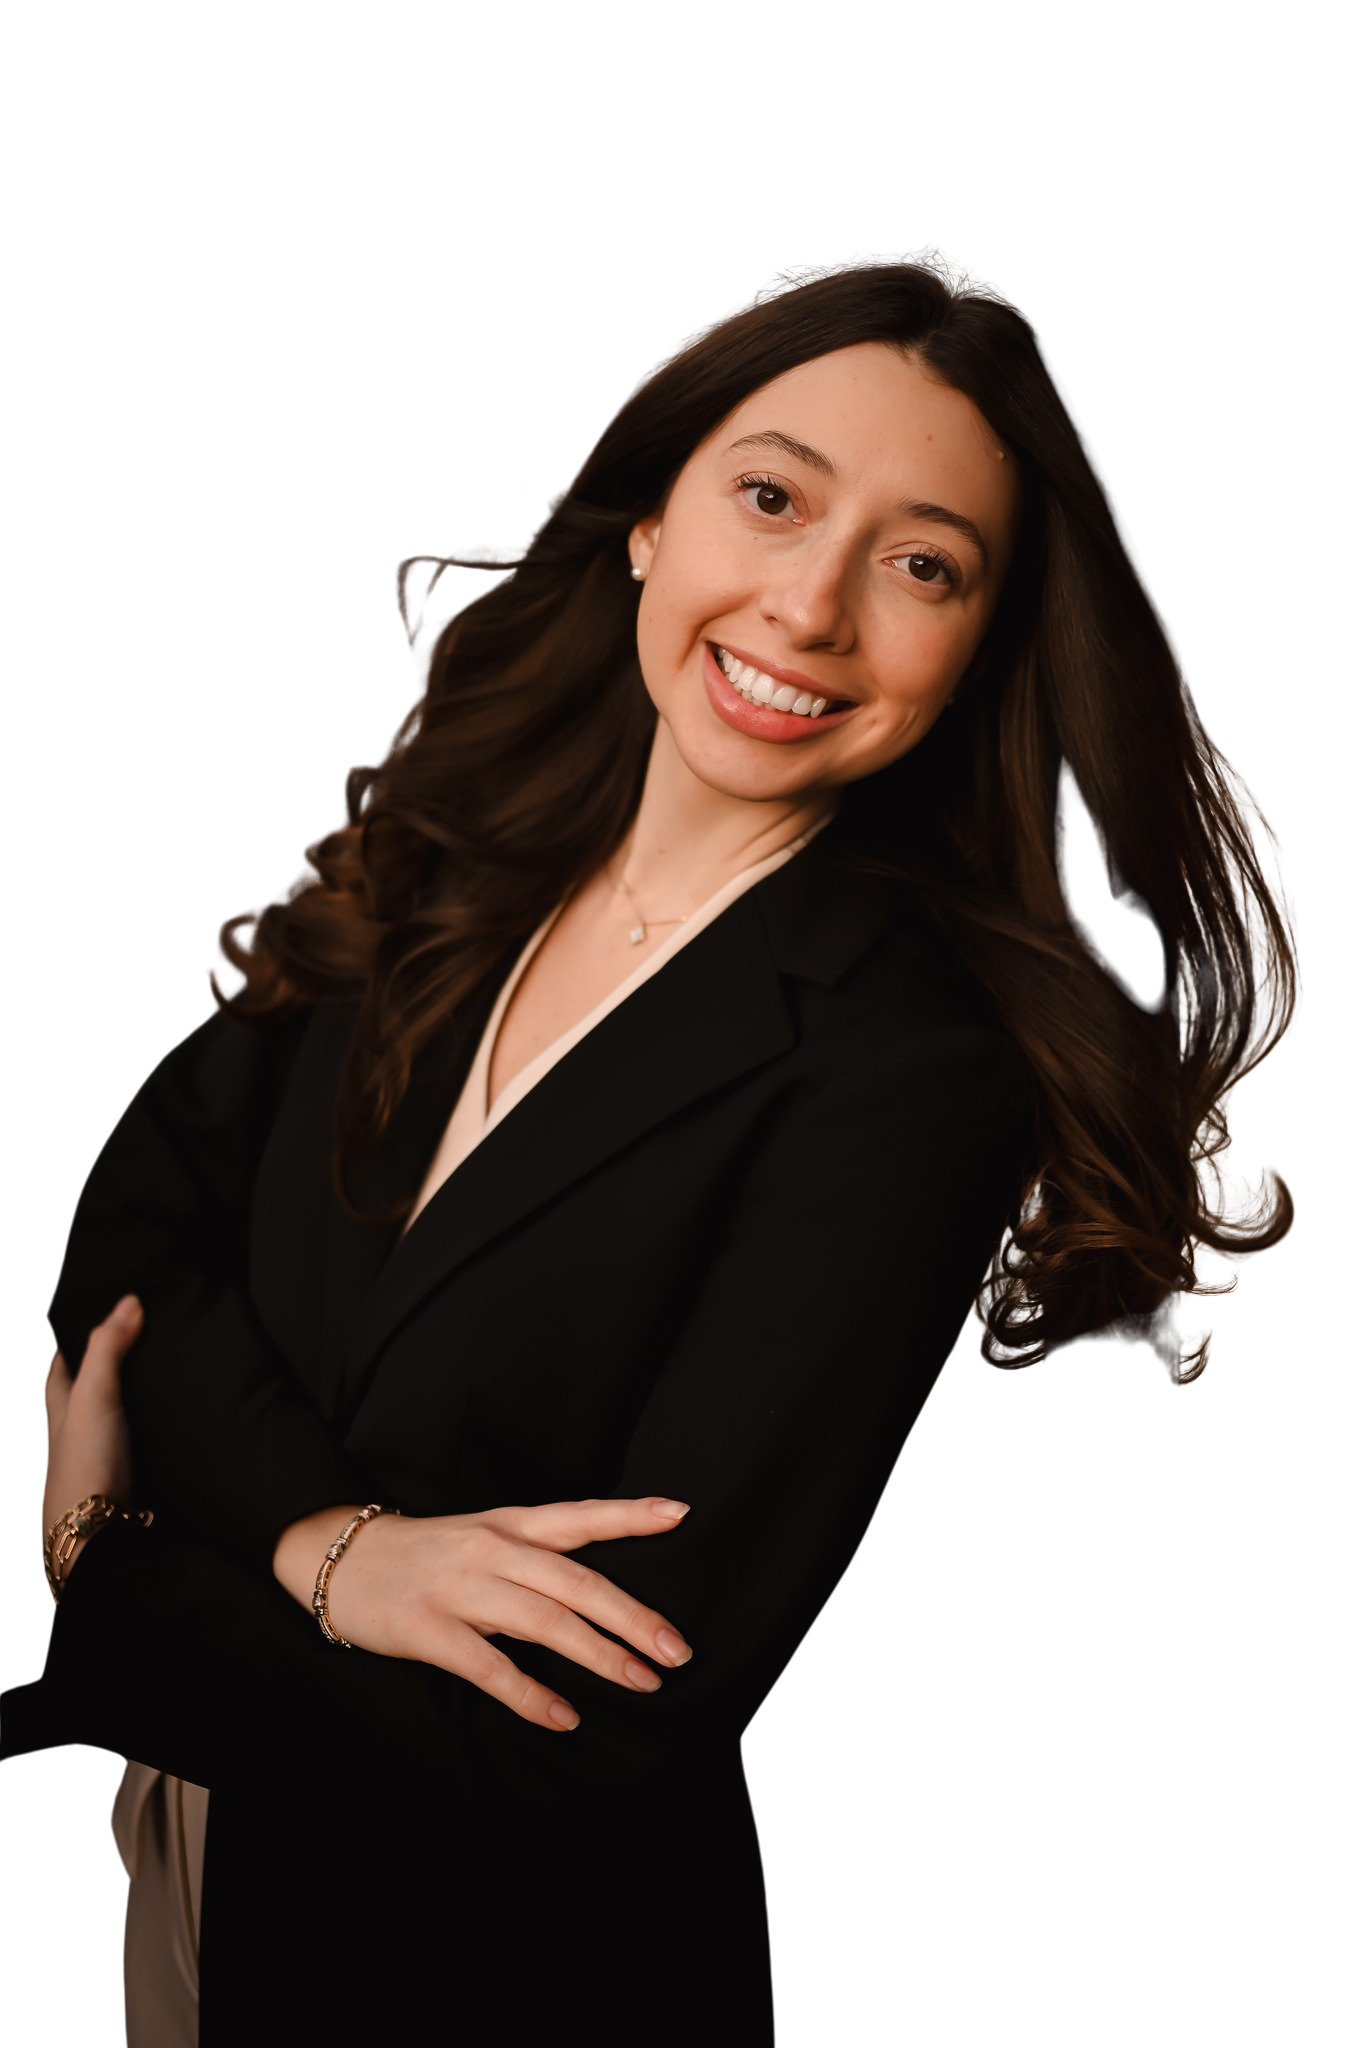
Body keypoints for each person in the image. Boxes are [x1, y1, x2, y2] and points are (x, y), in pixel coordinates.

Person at [10, 249, 1299, 2046]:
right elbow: (135, 1239)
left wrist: (107, 1565)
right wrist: (330, 1545)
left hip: (499, 1971)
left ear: (979, 646)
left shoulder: (911, 1070)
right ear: (645, 520)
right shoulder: (450, 851)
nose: (810, 606)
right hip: (196, 1877)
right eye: (770, 497)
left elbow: (585, 1709)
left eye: (921, 564)